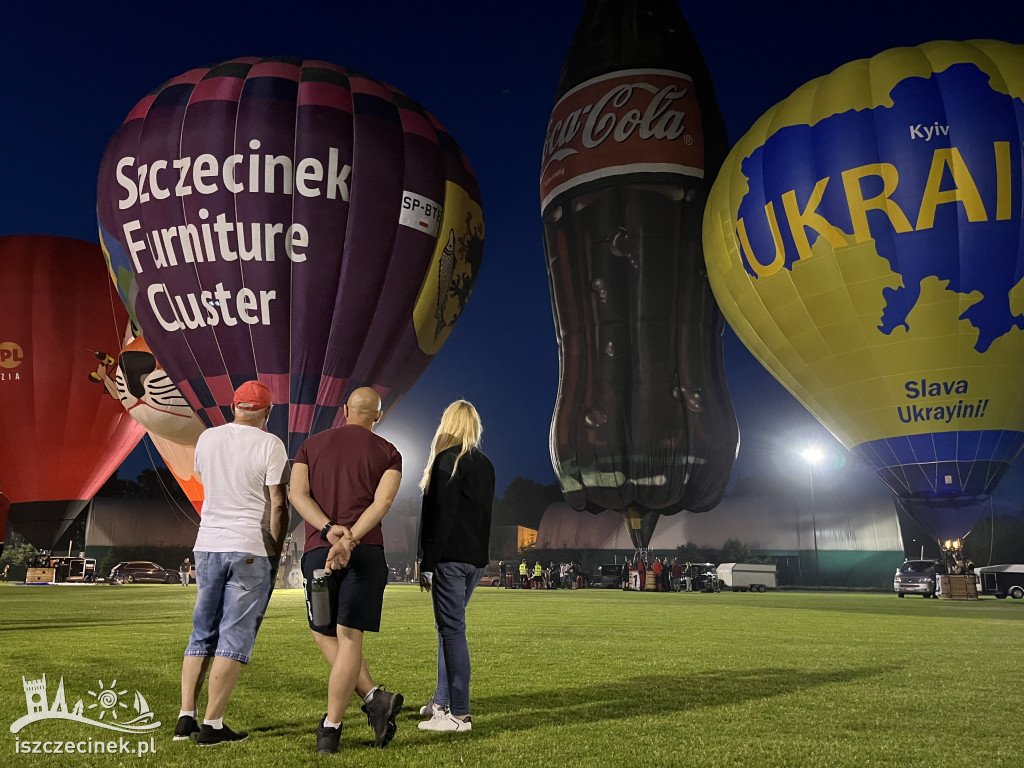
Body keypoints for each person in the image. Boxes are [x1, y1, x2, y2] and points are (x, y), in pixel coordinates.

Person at [289, 387, 404, 755]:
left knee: (324, 633)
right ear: (378, 416)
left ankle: (332, 727)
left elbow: (297, 494)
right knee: (348, 637)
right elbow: (382, 502)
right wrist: (351, 539)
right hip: (367, 551)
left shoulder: (310, 445)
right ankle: (372, 700)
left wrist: (329, 531)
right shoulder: (389, 452)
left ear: (344, 410)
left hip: (318, 552)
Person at [175, 381, 289, 747]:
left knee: (201, 632)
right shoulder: (270, 443)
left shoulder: (208, 438)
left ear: (233, 406)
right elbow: (279, 503)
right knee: (234, 636)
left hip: (207, 544)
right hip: (249, 546)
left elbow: (206, 480)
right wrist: (276, 546)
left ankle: (185, 717)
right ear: (267, 413)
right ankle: (213, 724)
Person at [416, 400, 494, 733]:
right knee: (448, 630)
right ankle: (440, 701)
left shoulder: (447, 460)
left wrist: (427, 561)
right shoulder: (485, 464)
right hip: (475, 559)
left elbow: (441, 517)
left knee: (452, 631)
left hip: (450, 559)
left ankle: (459, 715)